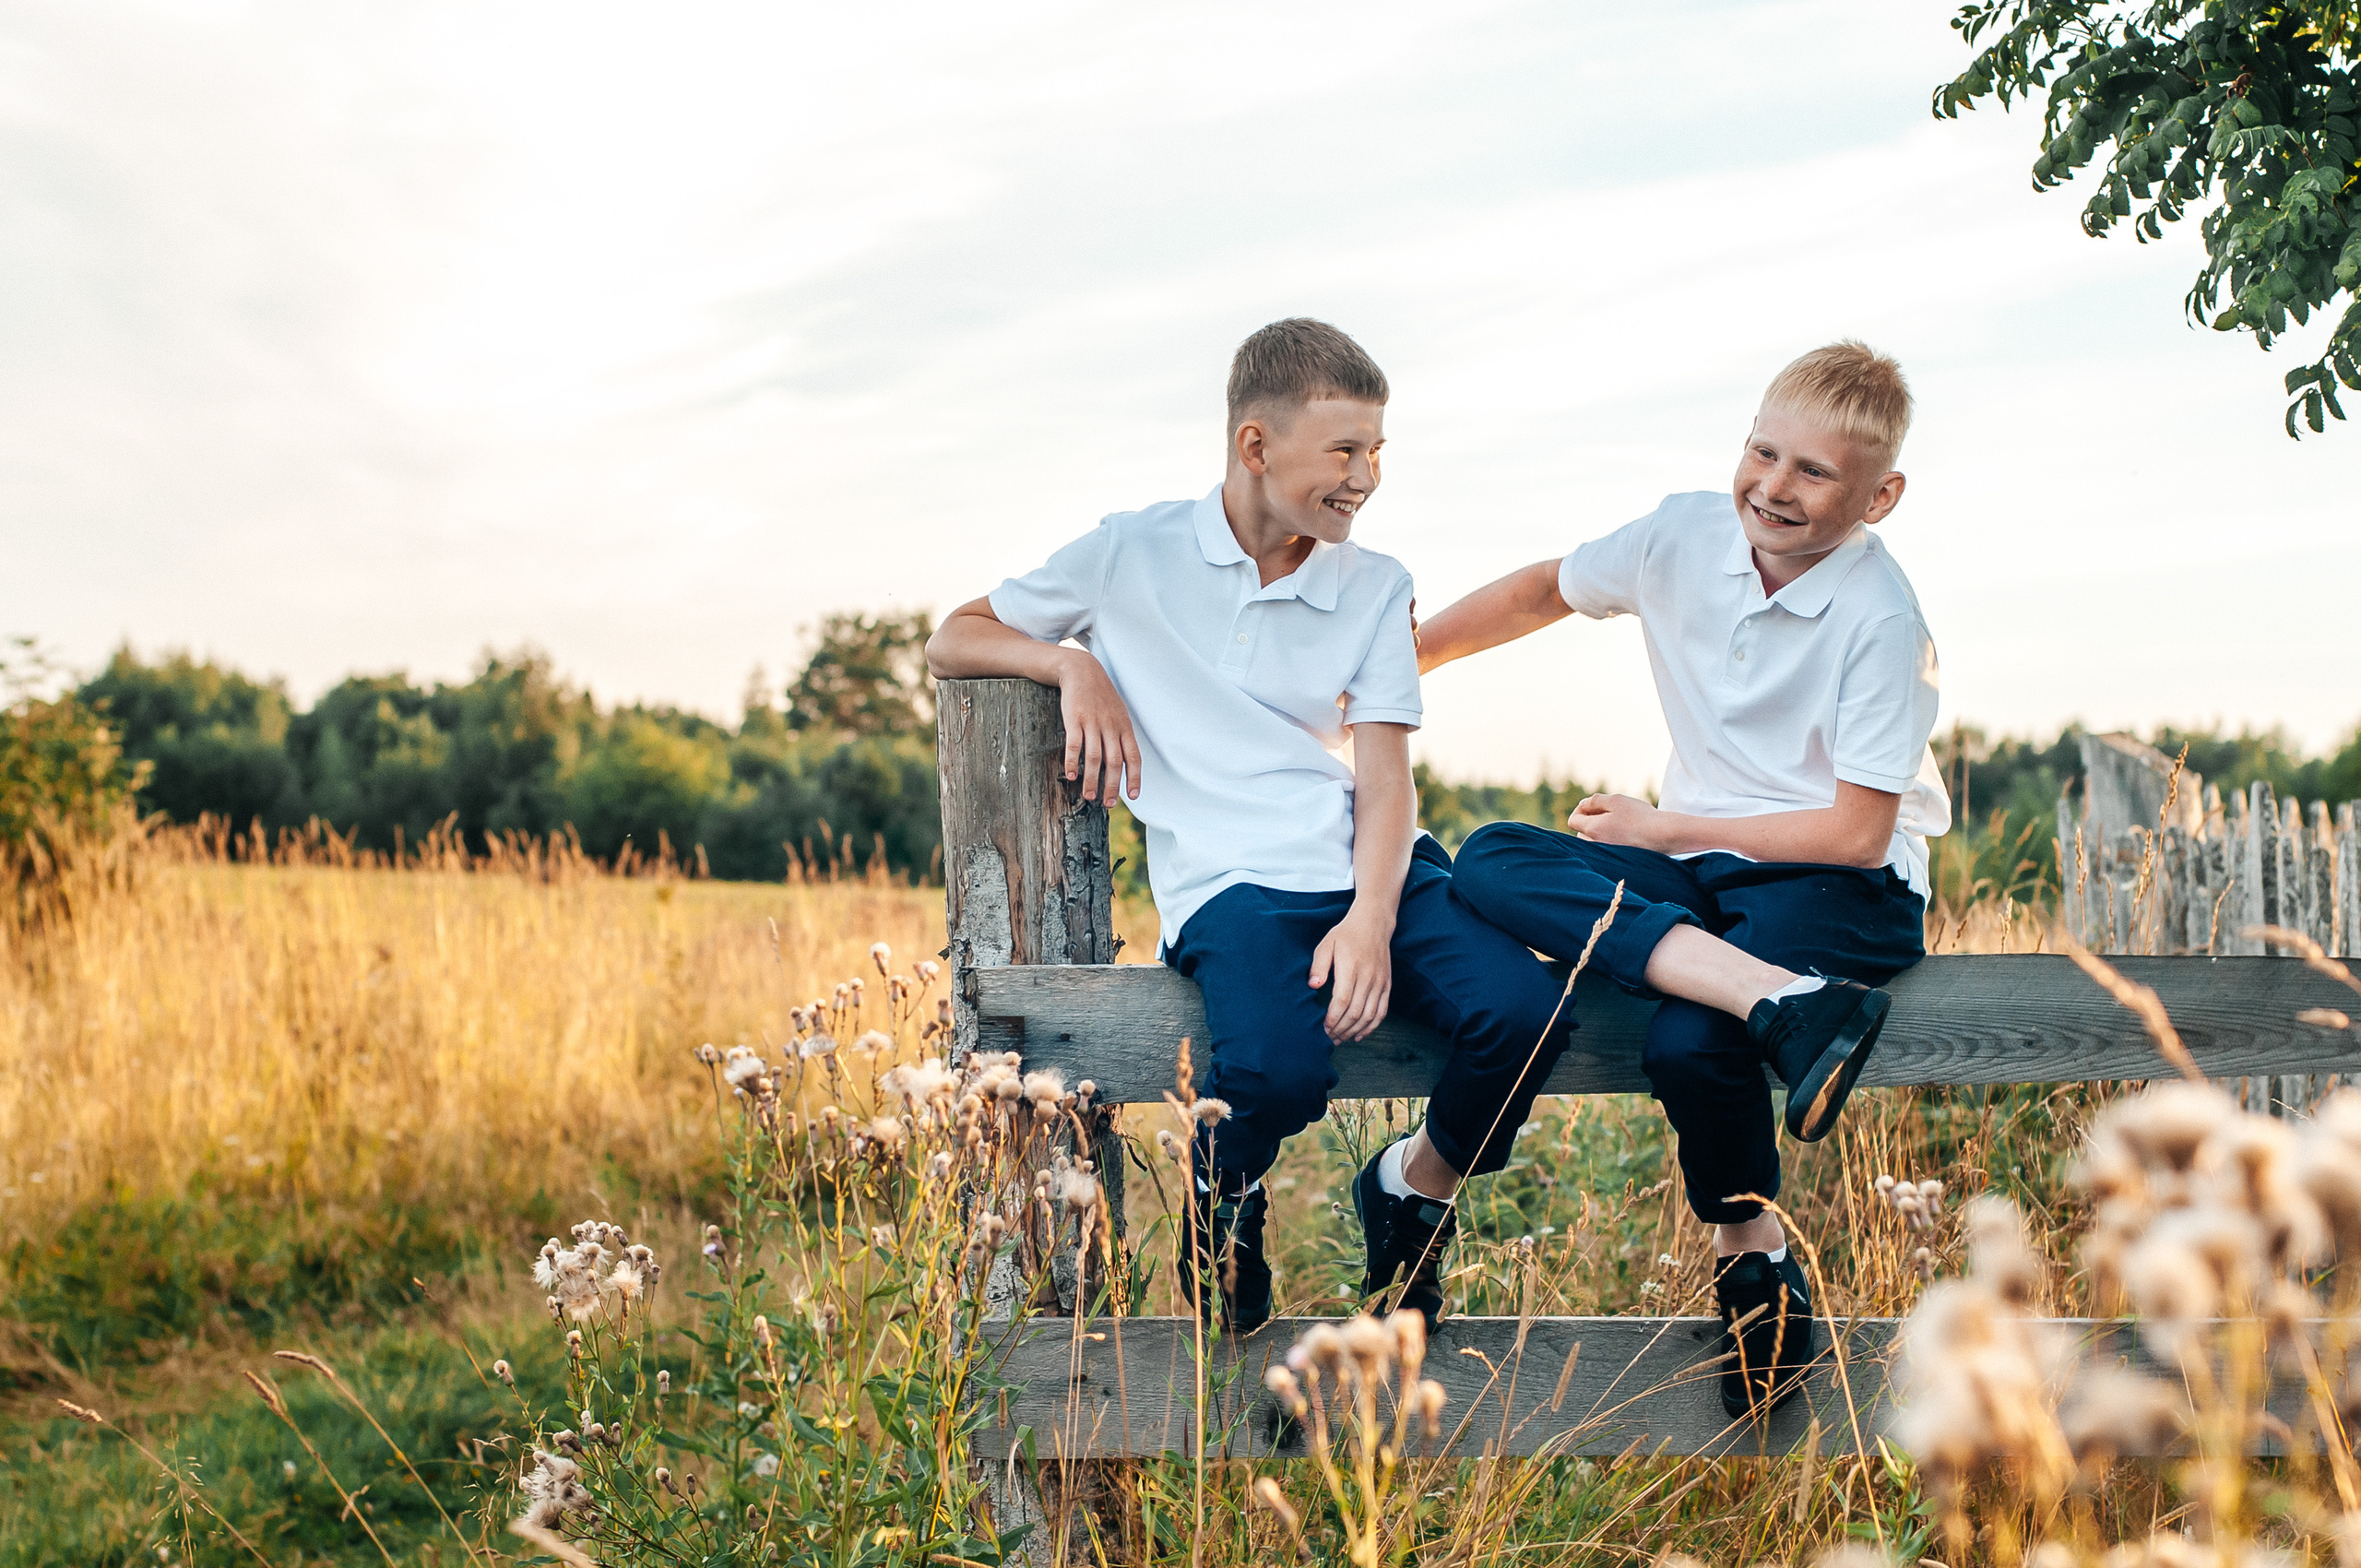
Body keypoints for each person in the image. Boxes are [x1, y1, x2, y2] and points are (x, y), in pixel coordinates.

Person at [1416, 339, 1947, 1415]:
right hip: (1703, 868)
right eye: (1763, 452)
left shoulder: (1883, 622)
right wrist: (1396, 668)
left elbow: (1852, 831)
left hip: (1836, 885)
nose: (1772, 487)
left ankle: (1753, 1259)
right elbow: (1540, 590)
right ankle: (1785, 1007)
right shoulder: (1681, 533)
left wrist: (1666, 826)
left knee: (1688, 1037)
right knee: (1494, 854)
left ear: (1879, 496)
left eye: (1813, 473)